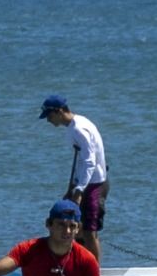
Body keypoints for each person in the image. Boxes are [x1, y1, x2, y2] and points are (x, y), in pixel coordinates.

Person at [38, 95, 109, 265]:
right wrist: (73, 187)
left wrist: (79, 190)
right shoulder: (74, 125)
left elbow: (89, 162)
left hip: (94, 184)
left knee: (89, 231)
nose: (48, 120)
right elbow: (81, 161)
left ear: (60, 111)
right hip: (85, 183)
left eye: (49, 116)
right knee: (75, 224)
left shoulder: (79, 129)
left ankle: (94, 272)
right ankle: (77, 264)